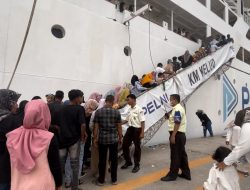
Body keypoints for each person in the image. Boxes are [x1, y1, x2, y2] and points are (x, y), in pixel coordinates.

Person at [6, 100, 62, 190]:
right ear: (45, 114)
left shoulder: (12, 136)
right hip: (43, 185)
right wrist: (59, 184)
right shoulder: (49, 137)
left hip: (18, 185)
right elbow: (55, 165)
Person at [57, 89, 87, 190]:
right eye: (81, 97)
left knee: (60, 165)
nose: (82, 99)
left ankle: (58, 186)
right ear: (77, 97)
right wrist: (82, 136)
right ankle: (74, 187)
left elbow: (57, 125)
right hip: (74, 140)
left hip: (62, 140)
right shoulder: (79, 108)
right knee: (75, 165)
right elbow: (82, 124)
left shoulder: (62, 108)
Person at [93, 95, 122, 185]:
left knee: (102, 160)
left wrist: (95, 139)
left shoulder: (98, 112)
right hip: (113, 139)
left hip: (102, 139)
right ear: (112, 101)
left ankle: (101, 180)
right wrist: (120, 137)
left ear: (106, 101)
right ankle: (114, 180)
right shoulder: (116, 112)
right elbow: (119, 127)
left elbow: (96, 127)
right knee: (114, 160)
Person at [161, 94, 191, 182]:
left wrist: (173, 135)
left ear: (175, 100)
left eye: (171, 100)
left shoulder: (177, 109)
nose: (170, 102)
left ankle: (172, 175)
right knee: (181, 155)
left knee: (175, 156)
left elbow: (177, 123)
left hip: (177, 135)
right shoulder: (177, 109)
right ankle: (186, 174)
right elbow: (175, 120)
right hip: (179, 135)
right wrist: (168, 117)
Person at [216, 107, 250, 174]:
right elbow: (230, 131)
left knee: (242, 158)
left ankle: (244, 170)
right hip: (235, 143)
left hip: (240, 144)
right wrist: (228, 139)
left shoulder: (247, 126)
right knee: (242, 157)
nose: (240, 126)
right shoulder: (234, 124)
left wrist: (225, 162)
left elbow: (242, 148)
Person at [0, 89, 21, 190]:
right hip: (6, 169)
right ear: (8, 103)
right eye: (15, 102)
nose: (17, 106)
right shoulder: (12, 120)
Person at [121, 94, 145, 173]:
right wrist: (118, 123)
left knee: (137, 148)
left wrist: (142, 132)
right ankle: (128, 162)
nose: (127, 101)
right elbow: (126, 120)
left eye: (128, 99)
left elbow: (142, 121)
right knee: (124, 145)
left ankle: (137, 165)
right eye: (127, 100)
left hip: (137, 130)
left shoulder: (139, 109)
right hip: (130, 129)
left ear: (134, 100)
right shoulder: (129, 109)